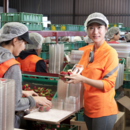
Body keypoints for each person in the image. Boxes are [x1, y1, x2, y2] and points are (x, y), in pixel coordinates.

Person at [66, 12, 118, 130]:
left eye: (99, 27)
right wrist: (71, 73)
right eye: (91, 28)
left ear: (106, 29)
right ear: (87, 30)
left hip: (103, 109)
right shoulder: (87, 52)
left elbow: (108, 84)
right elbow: (80, 71)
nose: (95, 32)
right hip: (88, 107)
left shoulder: (111, 53)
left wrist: (82, 79)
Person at [0, 22, 52, 129]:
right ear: (15, 40)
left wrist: (21, 91)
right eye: (23, 42)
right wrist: (35, 100)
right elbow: (15, 104)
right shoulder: (12, 65)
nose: (24, 47)